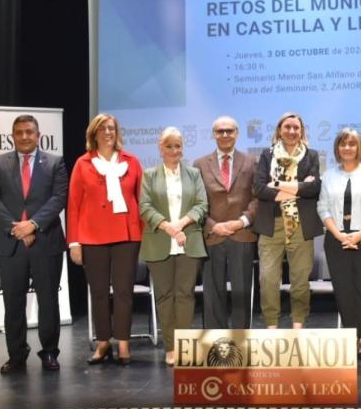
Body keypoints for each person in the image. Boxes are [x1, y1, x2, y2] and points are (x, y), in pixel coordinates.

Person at [0, 114, 68, 373]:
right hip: (10, 243)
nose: (24, 136)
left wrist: (32, 224)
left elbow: (58, 198)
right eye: (19, 132)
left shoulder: (55, 163)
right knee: (13, 302)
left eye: (29, 132)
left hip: (46, 242)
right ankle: (17, 355)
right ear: (13, 136)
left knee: (48, 301)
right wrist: (17, 228)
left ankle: (50, 353)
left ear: (38, 135)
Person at [67, 113, 143, 365]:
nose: (108, 132)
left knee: (123, 292)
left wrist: (144, 236)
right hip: (92, 237)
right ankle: (102, 343)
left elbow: (142, 201)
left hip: (126, 235)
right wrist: (74, 242)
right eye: (103, 129)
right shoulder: (83, 163)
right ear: (94, 134)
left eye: (112, 128)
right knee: (99, 292)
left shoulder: (131, 162)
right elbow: (74, 204)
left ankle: (123, 343)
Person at [139, 127, 208, 366]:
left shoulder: (194, 174)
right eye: (169, 146)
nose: (174, 150)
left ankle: (184, 345)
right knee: (164, 296)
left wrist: (180, 225)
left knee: (185, 295)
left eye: (178, 146)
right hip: (159, 242)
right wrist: (169, 227)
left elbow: (201, 205)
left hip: (189, 241)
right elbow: (145, 207)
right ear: (160, 148)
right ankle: (170, 347)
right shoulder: (149, 175)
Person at [317, 128, 361, 359]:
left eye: (352, 144)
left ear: (359, 148)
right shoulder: (328, 175)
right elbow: (322, 207)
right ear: (337, 148)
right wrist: (339, 235)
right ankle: (350, 337)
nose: (347, 148)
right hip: (336, 240)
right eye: (343, 144)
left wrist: (359, 234)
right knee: (344, 291)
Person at [252, 112, 323, 329]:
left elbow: (314, 188)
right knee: (268, 279)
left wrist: (278, 185)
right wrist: (299, 187)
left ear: (302, 131)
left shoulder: (311, 155)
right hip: (271, 224)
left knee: (300, 280)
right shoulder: (267, 155)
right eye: (287, 127)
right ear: (279, 130)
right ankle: (271, 326)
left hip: (301, 224)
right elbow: (259, 188)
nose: (292, 131)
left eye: (296, 128)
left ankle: (298, 326)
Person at [193, 116, 258, 329]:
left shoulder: (250, 161)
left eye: (229, 131)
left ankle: (240, 341)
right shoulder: (200, 164)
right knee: (213, 293)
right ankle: (215, 340)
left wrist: (242, 221)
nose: (225, 135)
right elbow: (196, 201)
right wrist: (213, 226)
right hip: (213, 235)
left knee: (241, 291)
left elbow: (257, 198)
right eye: (220, 131)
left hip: (242, 234)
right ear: (213, 134)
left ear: (237, 133)